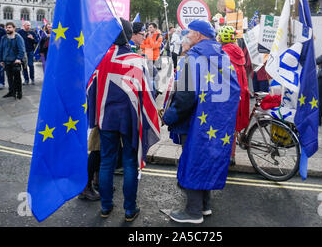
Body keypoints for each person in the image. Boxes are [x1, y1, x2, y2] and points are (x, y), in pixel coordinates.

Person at [162, 20, 241, 224]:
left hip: (195, 120)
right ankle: (205, 206)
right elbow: (235, 91)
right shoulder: (224, 57)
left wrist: (169, 116)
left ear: (198, 35)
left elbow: (186, 96)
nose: (186, 36)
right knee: (206, 158)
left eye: (189, 33)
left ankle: (193, 212)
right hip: (216, 122)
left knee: (193, 160)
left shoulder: (192, 59)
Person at [87, 18, 160, 222]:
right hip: (129, 119)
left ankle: (105, 207)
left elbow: (90, 89)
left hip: (106, 118)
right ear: (129, 35)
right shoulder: (136, 61)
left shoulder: (100, 58)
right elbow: (148, 92)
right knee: (129, 162)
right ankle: (129, 210)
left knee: (107, 161)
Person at [217, 26, 250, 166]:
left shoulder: (223, 53)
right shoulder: (238, 52)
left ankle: (225, 155)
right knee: (234, 125)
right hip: (241, 93)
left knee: (226, 125)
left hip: (229, 95)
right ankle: (232, 155)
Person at [0, 22, 26, 100]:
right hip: (6, 61)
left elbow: (22, 50)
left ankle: (19, 92)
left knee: (17, 78)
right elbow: (1, 49)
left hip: (15, 62)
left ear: (14, 28)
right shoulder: (3, 38)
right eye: (7, 27)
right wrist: (1, 60)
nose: (7, 29)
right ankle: (11, 92)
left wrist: (18, 59)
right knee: (9, 78)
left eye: (10, 27)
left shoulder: (18, 37)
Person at [18, 21, 39, 85]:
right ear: (23, 25)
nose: (29, 27)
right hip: (23, 52)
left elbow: (37, 41)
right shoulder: (20, 32)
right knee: (24, 66)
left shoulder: (32, 32)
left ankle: (32, 79)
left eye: (29, 25)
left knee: (31, 65)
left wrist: (32, 38)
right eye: (27, 25)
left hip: (30, 51)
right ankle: (26, 79)